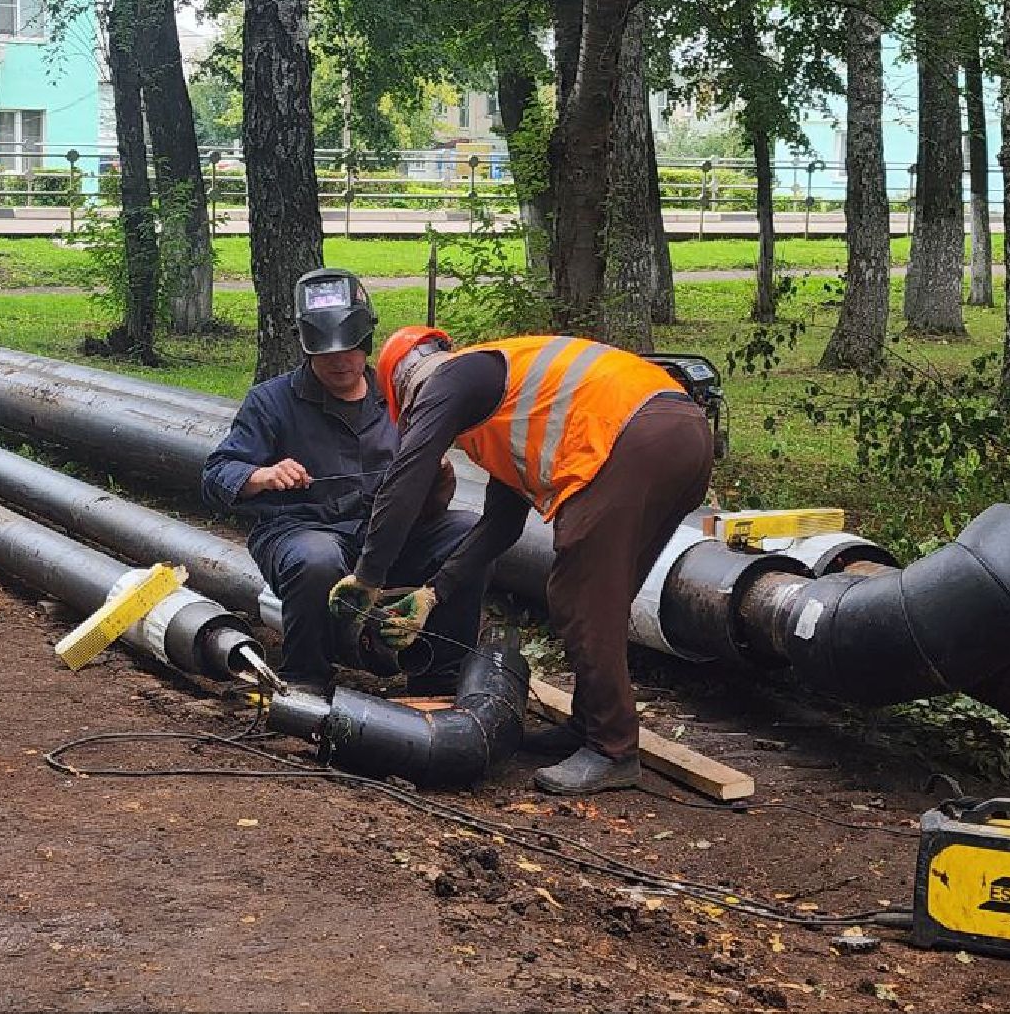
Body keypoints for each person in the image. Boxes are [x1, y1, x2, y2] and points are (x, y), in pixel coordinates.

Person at [331, 327, 714, 794]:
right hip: (681, 433)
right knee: (601, 599)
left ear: (403, 389)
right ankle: (589, 725)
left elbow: (408, 475)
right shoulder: (503, 401)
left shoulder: (449, 379)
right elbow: (500, 525)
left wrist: (368, 576)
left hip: (634, 440)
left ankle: (613, 749)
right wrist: (434, 593)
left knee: (577, 597)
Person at [200, 270, 484, 693]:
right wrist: (262, 475)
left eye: (350, 349)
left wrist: (437, 476)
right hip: (300, 532)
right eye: (327, 352)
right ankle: (306, 678)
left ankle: (441, 674)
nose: (340, 361)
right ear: (306, 346)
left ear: (366, 343)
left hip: (384, 538)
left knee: (468, 532)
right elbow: (216, 473)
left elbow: (429, 508)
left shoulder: (397, 398)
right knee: (316, 558)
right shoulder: (272, 401)